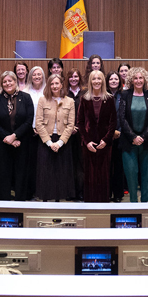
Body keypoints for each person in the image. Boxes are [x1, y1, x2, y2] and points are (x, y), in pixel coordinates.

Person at [0, 71, 34, 201]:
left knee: (21, 174)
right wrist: (8, 138)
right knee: (3, 174)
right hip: (2, 143)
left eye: (10, 81)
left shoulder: (26, 98)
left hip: (22, 142)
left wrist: (15, 136)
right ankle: (4, 202)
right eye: (5, 81)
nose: (7, 83)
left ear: (15, 82)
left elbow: (28, 121)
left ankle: (20, 202)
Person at [118, 67, 148, 203]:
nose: (138, 80)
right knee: (131, 174)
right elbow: (122, 117)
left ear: (145, 79)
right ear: (131, 80)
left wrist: (143, 137)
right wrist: (133, 137)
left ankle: (146, 203)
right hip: (129, 142)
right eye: (135, 78)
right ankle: (133, 203)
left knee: (146, 175)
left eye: (141, 78)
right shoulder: (125, 95)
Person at [77, 70, 117, 203]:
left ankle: (103, 202)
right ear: (90, 81)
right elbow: (80, 123)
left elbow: (113, 122)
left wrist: (106, 140)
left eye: (99, 79)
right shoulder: (84, 99)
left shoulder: (109, 99)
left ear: (103, 81)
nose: (96, 81)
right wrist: (87, 141)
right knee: (90, 174)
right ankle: (90, 203)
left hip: (104, 144)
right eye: (94, 79)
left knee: (104, 174)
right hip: (89, 144)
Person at [34, 73, 76, 202]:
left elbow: (71, 125)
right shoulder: (43, 100)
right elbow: (38, 123)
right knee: (45, 171)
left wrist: (59, 143)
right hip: (46, 140)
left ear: (61, 84)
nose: (54, 86)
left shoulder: (70, 101)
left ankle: (59, 199)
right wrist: (49, 143)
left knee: (61, 172)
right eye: (51, 84)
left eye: (57, 83)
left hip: (63, 141)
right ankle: (45, 199)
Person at [26, 66, 47, 197]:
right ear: (30, 77)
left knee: (43, 163)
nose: (37, 77)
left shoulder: (48, 91)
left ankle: (43, 191)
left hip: (45, 131)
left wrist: (42, 128)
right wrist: (32, 127)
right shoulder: (25, 91)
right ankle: (31, 191)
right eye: (34, 74)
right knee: (31, 162)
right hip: (29, 131)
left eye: (39, 74)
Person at [106, 71, 126, 202]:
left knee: (119, 166)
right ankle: (107, 193)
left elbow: (126, 115)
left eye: (116, 79)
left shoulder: (124, 95)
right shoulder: (103, 95)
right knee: (107, 166)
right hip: (106, 136)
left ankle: (118, 194)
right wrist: (110, 131)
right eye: (111, 79)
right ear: (107, 81)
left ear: (119, 81)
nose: (113, 81)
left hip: (120, 135)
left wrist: (119, 130)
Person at [65, 67, 84, 200]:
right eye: (71, 77)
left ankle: (81, 192)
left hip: (82, 133)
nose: (73, 79)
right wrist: (70, 127)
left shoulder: (85, 93)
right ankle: (70, 192)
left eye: (76, 76)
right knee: (69, 163)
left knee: (81, 163)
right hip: (67, 133)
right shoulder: (64, 94)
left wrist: (80, 127)